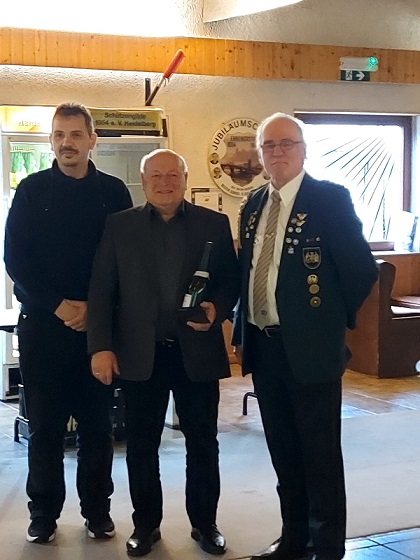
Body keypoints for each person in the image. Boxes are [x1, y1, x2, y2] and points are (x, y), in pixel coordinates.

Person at [232, 113, 378, 560]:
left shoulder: (329, 199)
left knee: (319, 453)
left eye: (287, 144)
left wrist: (327, 322)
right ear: (260, 155)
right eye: (269, 145)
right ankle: (293, 537)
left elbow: (360, 270)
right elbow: (247, 271)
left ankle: (328, 543)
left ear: (303, 150)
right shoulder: (253, 204)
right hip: (264, 345)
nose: (278, 152)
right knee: (283, 450)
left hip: (312, 350)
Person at [87, 148, 239, 557]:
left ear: (185, 179)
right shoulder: (120, 225)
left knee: (203, 444)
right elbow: (101, 291)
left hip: (196, 353)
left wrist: (218, 307)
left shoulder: (214, 223)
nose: (165, 182)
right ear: (143, 181)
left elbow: (230, 281)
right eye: (156, 175)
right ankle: (146, 526)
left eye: (173, 174)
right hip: (140, 355)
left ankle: (205, 524)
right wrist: (100, 347)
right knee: (141, 445)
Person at [4, 102, 133, 544]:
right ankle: (43, 514)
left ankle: (97, 512)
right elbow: (15, 259)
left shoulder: (114, 193)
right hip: (43, 327)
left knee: (98, 427)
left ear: (92, 139)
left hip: (97, 331)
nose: (66, 143)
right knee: (45, 428)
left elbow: (124, 260)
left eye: (76, 134)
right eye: (59, 135)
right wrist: (59, 306)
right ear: (51, 141)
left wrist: (96, 311)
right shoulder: (32, 191)